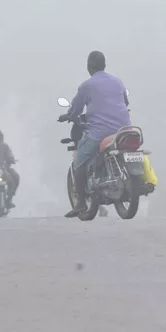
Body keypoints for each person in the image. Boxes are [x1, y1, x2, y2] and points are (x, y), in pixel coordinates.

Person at [59, 51, 130, 218]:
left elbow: (76, 109)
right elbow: (125, 102)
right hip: (124, 129)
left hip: (99, 131)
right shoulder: (117, 81)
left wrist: (68, 116)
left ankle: (81, 203)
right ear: (104, 65)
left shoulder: (87, 85)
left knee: (79, 162)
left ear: (88, 67)